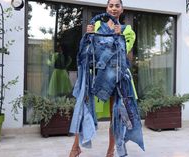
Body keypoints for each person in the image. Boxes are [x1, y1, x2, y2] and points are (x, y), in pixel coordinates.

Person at [69, 0, 137, 157]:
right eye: (111, 5)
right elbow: (90, 50)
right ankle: (75, 147)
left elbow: (123, 52)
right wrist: (89, 34)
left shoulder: (128, 31)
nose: (114, 8)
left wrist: (119, 36)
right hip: (97, 76)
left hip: (117, 77)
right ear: (106, 8)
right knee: (84, 106)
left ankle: (110, 151)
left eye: (117, 5)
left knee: (116, 115)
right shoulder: (97, 26)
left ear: (122, 9)